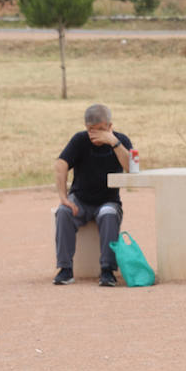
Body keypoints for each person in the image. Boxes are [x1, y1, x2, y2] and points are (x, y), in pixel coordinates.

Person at [53, 103, 133, 286]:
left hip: (108, 201)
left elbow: (130, 167)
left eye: (101, 130)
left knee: (108, 215)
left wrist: (113, 142)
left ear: (110, 126)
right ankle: (65, 269)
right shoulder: (80, 140)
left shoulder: (121, 141)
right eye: (91, 130)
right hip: (80, 200)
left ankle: (107, 271)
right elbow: (61, 164)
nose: (96, 134)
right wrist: (64, 198)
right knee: (63, 212)